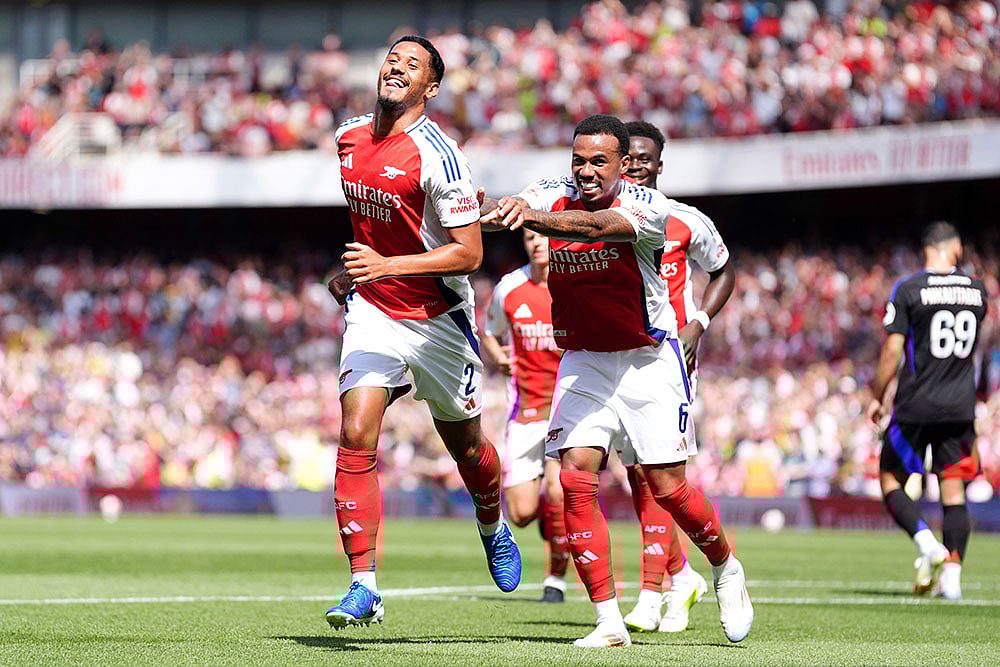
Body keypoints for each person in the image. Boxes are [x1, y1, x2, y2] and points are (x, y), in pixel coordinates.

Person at [482, 114, 752, 648]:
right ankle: (608, 621)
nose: (585, 171)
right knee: (574, 476)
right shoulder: (550, 192)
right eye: (578, 160)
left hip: (648, 360)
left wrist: (529, 216)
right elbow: (506, 212)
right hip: (584, 359)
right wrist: (473, 209)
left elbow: (594, 229)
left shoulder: (650, 207)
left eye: (598, 162)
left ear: (623, 165)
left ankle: (725, 567)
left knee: (668, 488)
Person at [323, 35, 521, 630]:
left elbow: (468, 254)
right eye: (392, 57)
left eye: (413, 65)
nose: (397, 67)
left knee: (468, 449)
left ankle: (492, 523)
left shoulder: (440, 156)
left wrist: (387, 264)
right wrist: (358, 274)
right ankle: (363, 586)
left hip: (440, 319)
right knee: (355, 431)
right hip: (375, 309)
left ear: (430, 88)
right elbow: (380, 225)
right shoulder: (347, 136)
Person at [620, 121, 736, 634]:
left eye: (645, 157)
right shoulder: (601, 218)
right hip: (616, 359)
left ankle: (652, 594)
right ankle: (681, 575)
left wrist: (699, 323)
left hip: (667, 361)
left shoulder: (685, 220)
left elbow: (725, 270)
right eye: (629, 156)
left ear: (659, 165)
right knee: (636, 475)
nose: (636, 164)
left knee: (660, 474)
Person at [867, 221, 988, 600]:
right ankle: (952, 578)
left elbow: (892, 350)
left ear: (926, 250)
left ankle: (927, 544)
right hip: (960, 407)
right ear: (954, 248)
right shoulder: (977, 290)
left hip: (916, 405)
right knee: (954, 493)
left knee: (890, 479)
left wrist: (878, 395)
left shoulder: (909, 288)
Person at [481, 228, 568, 603]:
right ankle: (550, 517)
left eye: (542, 236)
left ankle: (555, 581)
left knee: (559, 490)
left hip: (566, 408)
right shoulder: (510, 288)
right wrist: (498, 356)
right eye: (530, 237)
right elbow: (489, 332)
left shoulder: (572, 282)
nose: (536, 243)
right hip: (524, 411)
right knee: (521, 513)